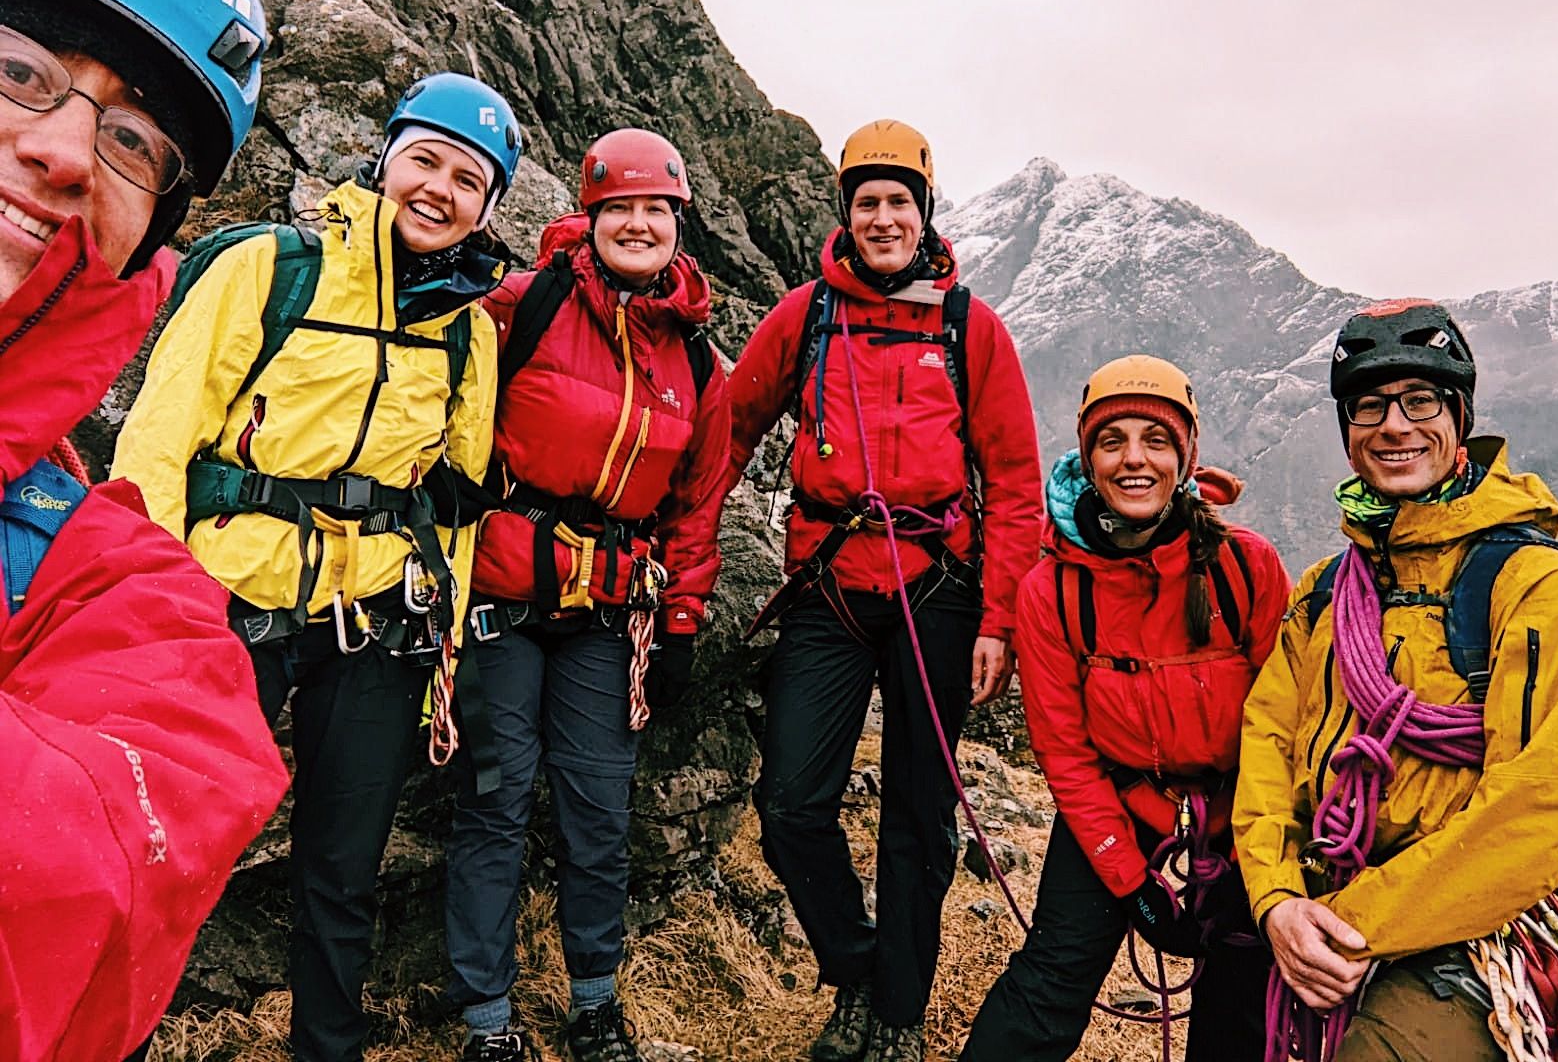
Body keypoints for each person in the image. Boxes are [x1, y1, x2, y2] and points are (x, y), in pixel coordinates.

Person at [111, 70, 521, 1061]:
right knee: (164, 848)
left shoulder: (468, 333)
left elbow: (452, 507)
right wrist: (147, 612)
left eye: (468, 179)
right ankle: (106, 1033)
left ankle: (325, 1049)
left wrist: (446, 661)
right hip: (227, 604)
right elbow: (158, 442)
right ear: (385, 161)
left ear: (487, 207)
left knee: (344, 871)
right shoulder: (269, 267)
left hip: (376, 624)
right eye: (424, 159)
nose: (439, 189)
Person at [0, 0, 288, 1059]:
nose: (67, 152)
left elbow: (89, 885)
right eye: (19, 72)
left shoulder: (137, 607)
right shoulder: (281, 275)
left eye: (133, 143)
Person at [722, 119, 1042, 1062]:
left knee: (919, 815)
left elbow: (1016, 484)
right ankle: (857, 967)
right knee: (789, 806)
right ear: (847, 214)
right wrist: (687, 557)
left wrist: (997, 621)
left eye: (900, 201)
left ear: (925, 212)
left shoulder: (968, 326)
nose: (883, 217)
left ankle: (896, 1012)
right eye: (867, 202)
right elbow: (730, 428)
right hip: (829, 586)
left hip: (937, 588)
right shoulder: (806, 314)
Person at [1233, 300, 1558, 1062]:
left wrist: (1345, 921)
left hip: (1485, 922)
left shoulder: (1539, 587)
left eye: (1421, 400)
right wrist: (1274, 899)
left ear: (1459, 416)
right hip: (1323, 900)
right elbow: (1267, 743)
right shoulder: (1326, 592)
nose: (1395, 426)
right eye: (1369, 405)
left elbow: (1539, 806)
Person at [441, 126, 730, 1062]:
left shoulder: (695, 362)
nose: (638, 225)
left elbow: (695, 509)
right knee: (497, 799)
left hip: (610, 610)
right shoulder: (521, 305)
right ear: (590, 215)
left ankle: (594, 1001)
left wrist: (681, 621)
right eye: (622, 208)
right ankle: (485, 1017)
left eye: (657, 210)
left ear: (678, 225)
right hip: (500, 591)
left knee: (600, 807)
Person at [960, 355, 1291, 1061]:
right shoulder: (1051, 592)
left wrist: (1253, 849)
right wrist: (1130, 879)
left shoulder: (1246, 568)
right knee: (1052, 979)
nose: (1134, 459)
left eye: (1156, 440)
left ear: (1185, 457)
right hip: (1118, 805)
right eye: (1112, 442)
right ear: (1089, 458)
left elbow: (1283, 724)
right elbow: (1066, 753)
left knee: (1239, 998)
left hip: (1241, 815)